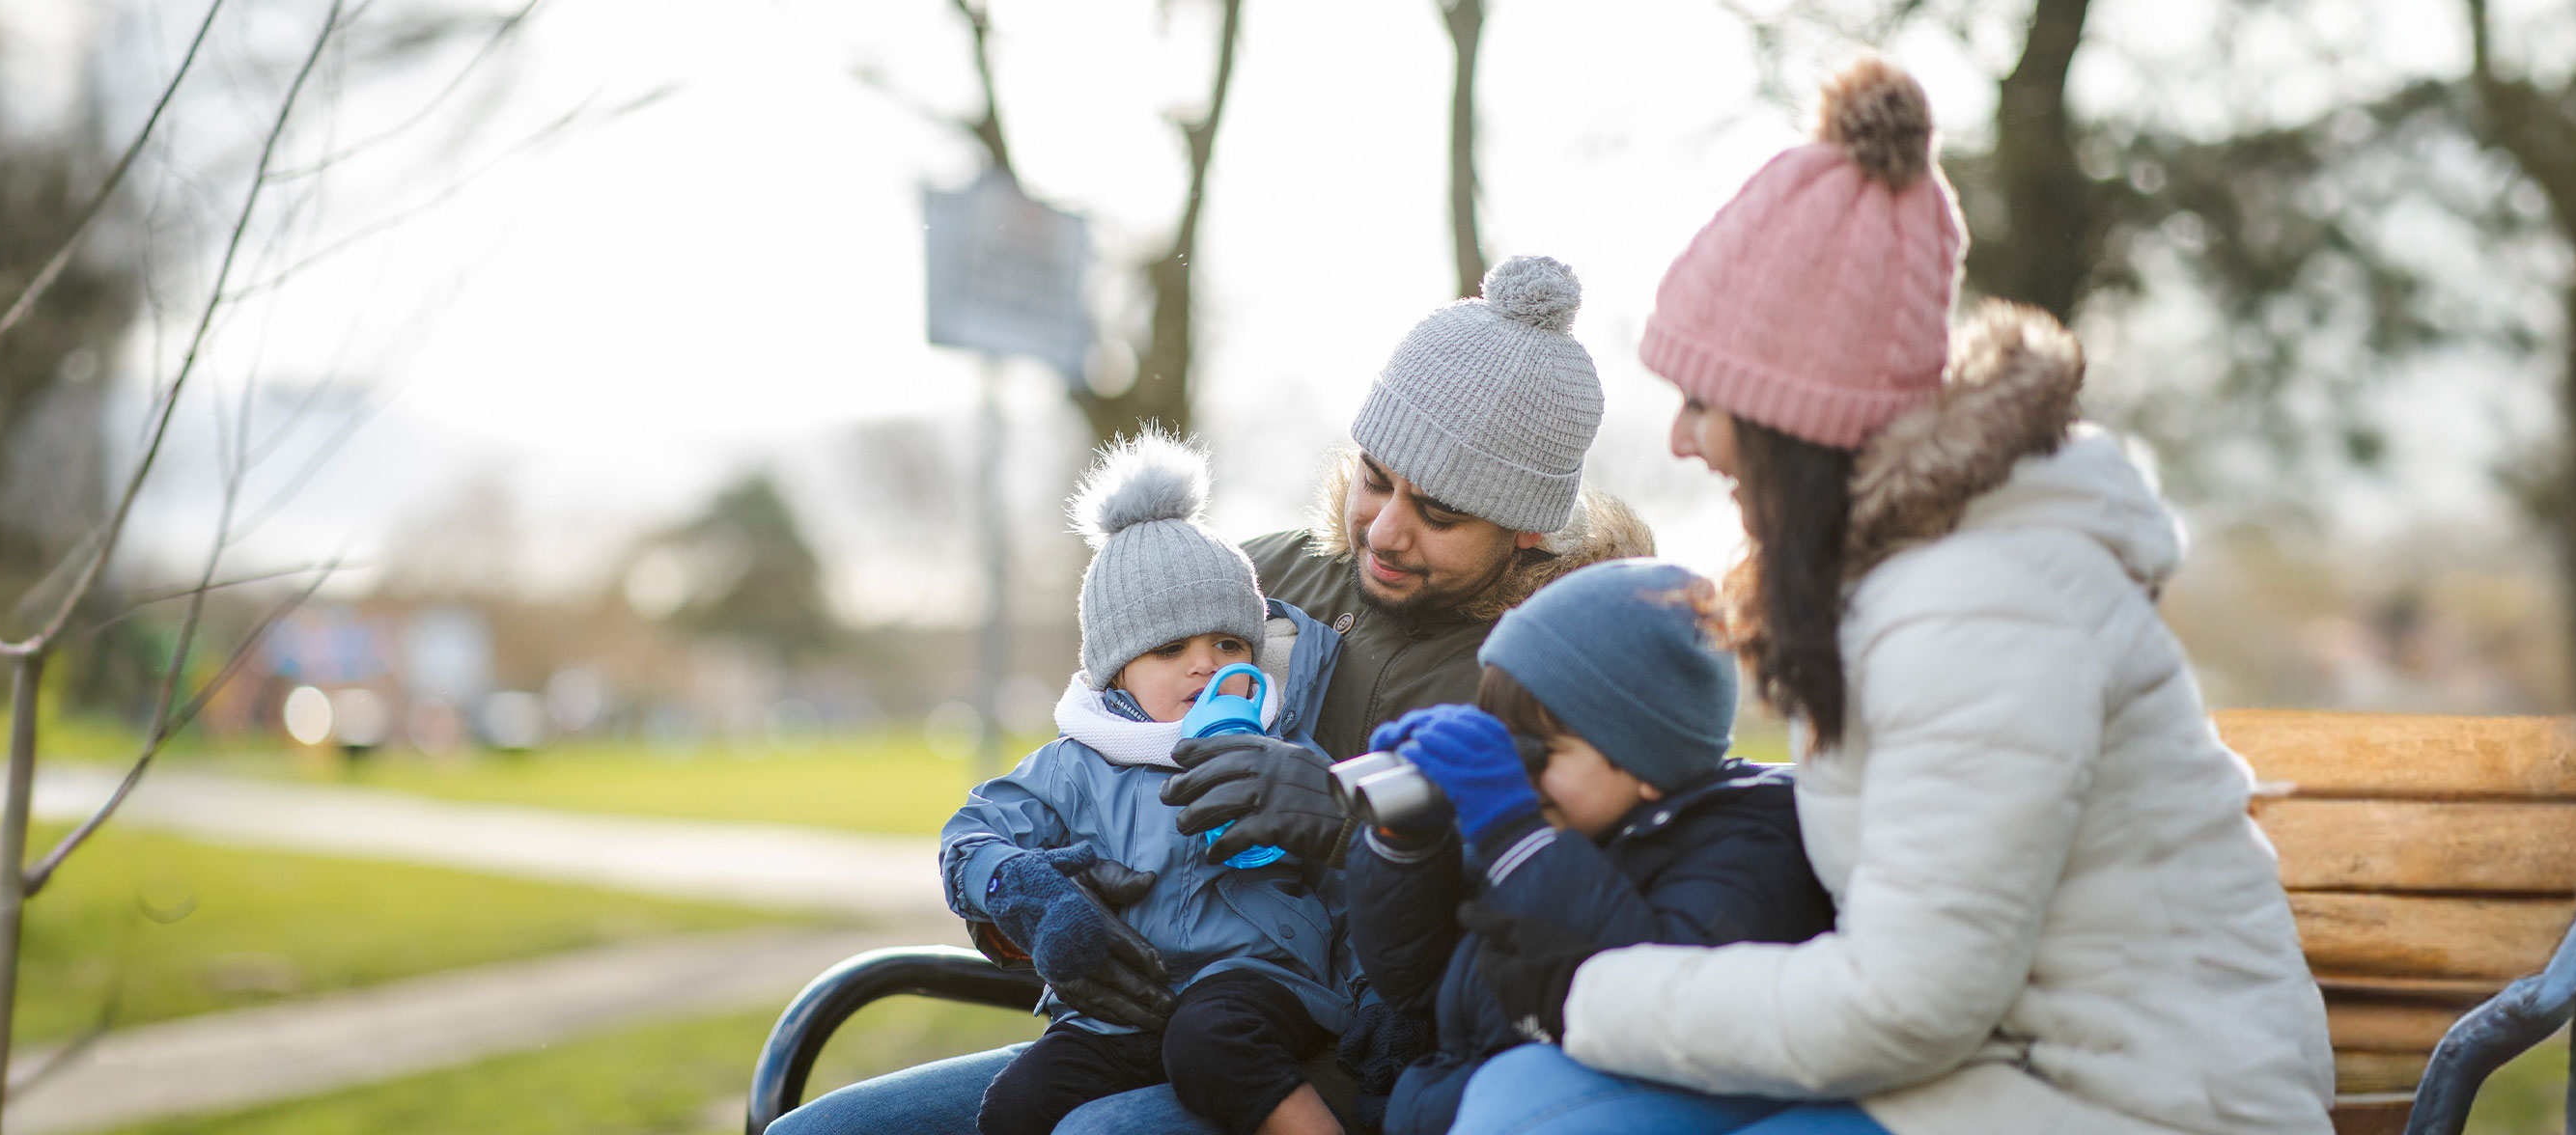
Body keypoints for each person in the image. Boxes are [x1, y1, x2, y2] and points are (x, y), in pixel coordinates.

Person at [1442, 60, 2333, 1135]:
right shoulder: (1895, 583)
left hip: (2142, 1099)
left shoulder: (1982, 609)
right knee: (1523, 1105)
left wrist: (1589, 989)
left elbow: (1908, 1007)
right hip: (1988, 1068)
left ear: (1792, 419)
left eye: (1703, 403)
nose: (1680, 441)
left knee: (1548, 1121)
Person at [777, 256, 1647, 1135]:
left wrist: (1364, 828)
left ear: (1528, 526)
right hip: (1141, 1015)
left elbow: (1570, 911)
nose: (1384, 531)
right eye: (1375, 479)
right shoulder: (1260, 577)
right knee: (818, 1132)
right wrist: (1036, 911)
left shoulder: (1564, 658)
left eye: (1442, 514)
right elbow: (1098, 754)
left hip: (1373, 1052)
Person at [942, 434, 1354, 1135]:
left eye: (1229, 645)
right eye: (1170, 650)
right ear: (1116, 673)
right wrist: (1027, 889)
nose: (1204, 666)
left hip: (1259, 984)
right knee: (1018, 1105)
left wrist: (1372, 999)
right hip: (1122, 1000)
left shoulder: (1279, 750)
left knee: (1212, 1043)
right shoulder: (1075, 764)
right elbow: (970, 838)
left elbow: (1346, 880)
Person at [1341, 560, 1834, 1135]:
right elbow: (1413, 979)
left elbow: (1645, 1001)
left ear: (1650, 760)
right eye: (1503, 738)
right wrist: (1408, 841)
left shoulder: (1747, 849)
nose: (1516, 769)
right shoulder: (1559, 827)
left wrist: (1512, 831)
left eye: (1538, 750)